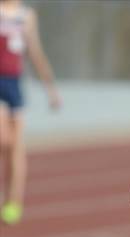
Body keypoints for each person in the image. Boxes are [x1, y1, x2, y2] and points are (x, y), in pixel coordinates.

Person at [0, 0, 60, 225]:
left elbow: (35, 51)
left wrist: (51, 90)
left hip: (13, 84)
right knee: (3, 139)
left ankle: (13, 200)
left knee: (15, 146)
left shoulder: (26, 15)